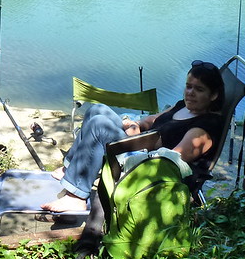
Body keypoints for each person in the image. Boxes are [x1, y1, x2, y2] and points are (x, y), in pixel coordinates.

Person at [41, 60, 225, 213]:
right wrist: (136, 126)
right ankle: (72, 170)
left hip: (147, 165)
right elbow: (153, 119)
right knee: (97, 110)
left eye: (199, 89)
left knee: (99, 126)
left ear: (214, 95)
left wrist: (137, 142)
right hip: (140, 144)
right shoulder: (183, 106)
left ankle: (76, 197)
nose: (190, 93)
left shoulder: (205, 127)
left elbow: (172, 161)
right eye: (188, 86)